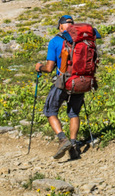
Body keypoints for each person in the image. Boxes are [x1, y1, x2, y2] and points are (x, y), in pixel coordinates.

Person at [34, 14, 98, 160]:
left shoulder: (55, 41)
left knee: (50, 110)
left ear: (60, 26)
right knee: (74, 113)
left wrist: (39, 67)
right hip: (81, 81)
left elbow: (49, 68)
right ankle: (74, 144)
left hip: (63, 82)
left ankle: (63, 139)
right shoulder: (84, 40)